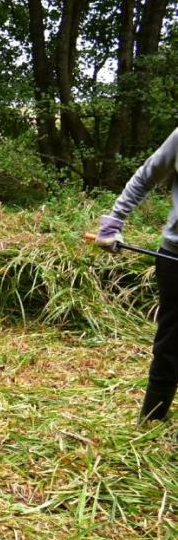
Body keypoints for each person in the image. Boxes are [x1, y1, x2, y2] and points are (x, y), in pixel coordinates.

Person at [96, 127, 178, 420]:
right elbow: (145, 176)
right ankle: (153, 419)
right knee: (172, 341)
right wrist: (113, 223)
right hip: (175, 257)